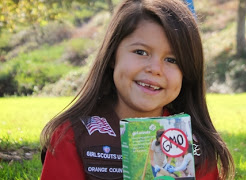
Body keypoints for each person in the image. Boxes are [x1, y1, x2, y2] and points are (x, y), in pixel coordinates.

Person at [40, 0, 234, 179]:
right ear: (112, 56)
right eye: (141, 52)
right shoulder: (71, 136)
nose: (155, 69)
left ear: (188, 72)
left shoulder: (196, 145)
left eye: (172, 60)